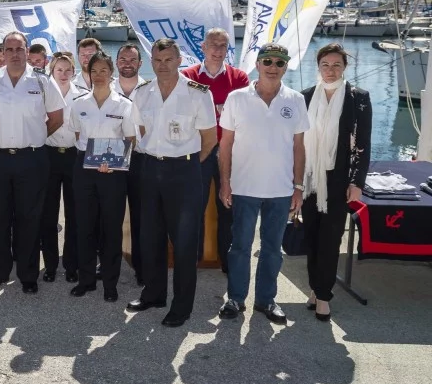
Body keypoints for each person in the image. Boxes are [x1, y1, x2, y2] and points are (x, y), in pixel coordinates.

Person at [218, 43, 308, 324]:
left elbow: (299, 147)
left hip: (281, 190)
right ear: (257, 64)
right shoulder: (236, 98)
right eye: (267, 61)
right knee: (240, 246)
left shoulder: (295, 99)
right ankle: (235, 298)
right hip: (244, 187)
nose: (273, 67)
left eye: (279, 63)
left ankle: (267, 300)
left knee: (272, 248)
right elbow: (226, 143)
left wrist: (298, 187)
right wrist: (225, 182)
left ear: (285, 67)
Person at [128, 38, 216, 327]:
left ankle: (181, 306)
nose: (162, 65)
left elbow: (209, 140)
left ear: (179, 60)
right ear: (150, 62)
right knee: (150, 237)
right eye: (157, 60)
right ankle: (153, 294)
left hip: (185, 172)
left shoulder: (197, 93)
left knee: (185, 243)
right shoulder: (142, 93)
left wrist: (185, 164)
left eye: (168, 59)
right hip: (150, 169)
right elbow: (139, 130)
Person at [0, 31, 65, 294]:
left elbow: (56, 118)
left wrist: (36, 137)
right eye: (9, 49)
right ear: (3, 53)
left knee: (29, 219)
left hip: (32, 158)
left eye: (19, 49)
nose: (15, 54)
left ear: (27, 51)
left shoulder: (42, 81)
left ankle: (28, 274)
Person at [301, 43, 372, 321]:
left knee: (331, 238)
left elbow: (362, 144)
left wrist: (356, 182)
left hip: (339, 177)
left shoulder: (358, 98)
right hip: (308, 176)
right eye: (325, 65)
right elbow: (296, 141)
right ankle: (315, 288)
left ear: (345, 67)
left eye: (336, 65)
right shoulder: (305, 97)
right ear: (318, 67)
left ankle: (324, 296)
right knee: (311, 237)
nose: (331, 71)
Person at [70, 51, 136, 302]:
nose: (98, 76)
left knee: (111, 229)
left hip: (114, 174)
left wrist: (113, 162)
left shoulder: (124, 105)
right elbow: (78, 136)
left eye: (104, 71)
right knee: (84, 226)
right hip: (84, 171)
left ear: (112, 74)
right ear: (88, 73)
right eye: (94, 71)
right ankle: (86, 280)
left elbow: (130, 139)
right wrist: (93, 160)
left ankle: (110, 283)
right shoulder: (79, 104)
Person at [182, 27, 249, 271]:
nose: (218, 50)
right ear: (203, 48)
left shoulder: (239, 78)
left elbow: (242, 113)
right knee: (193, 208)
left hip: (229, 153)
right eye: (214, 45)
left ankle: (227, 261)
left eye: (223, 46)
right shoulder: (187, 76)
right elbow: (184, 112)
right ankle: (192, 258)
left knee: (228, 207)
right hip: (198, 151)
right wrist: (219, 109)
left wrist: (212, 110)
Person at [41, 52, 81, 284]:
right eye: (59, 70)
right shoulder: (43, 94)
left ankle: (71, 264)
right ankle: (50, 264)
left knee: (74, 214)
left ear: (74, 72)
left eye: (68, 70)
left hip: (74, 157)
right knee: (48, 214)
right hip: (50, 156)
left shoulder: (83, 96)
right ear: (52, 72)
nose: (63, 74)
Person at [114, 42, 149, 285]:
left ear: (140, 63)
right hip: (111, 158)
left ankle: (140, 265)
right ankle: (107, 262)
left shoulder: (151, 90)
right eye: (123, 59)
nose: (127, 63)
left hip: (140, 159)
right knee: (108, 214)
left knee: (140, 215)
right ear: (117, 63)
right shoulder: (104, 86)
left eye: (132, 60)